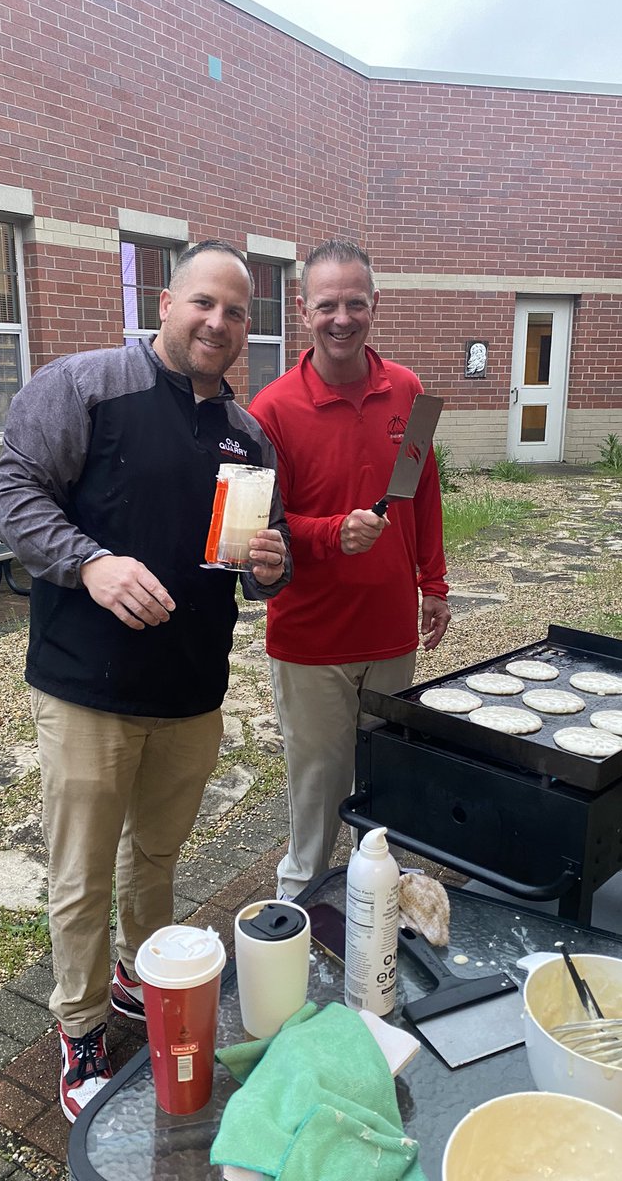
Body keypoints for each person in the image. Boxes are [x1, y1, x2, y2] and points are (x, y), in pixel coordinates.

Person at [0, 240, 290, 1122]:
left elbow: (258, 569)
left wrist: (270, 566)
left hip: (192, 689)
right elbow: (13, 493)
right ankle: (79, 1029)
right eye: (204, 303)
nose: (218, 323)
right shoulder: (83, 387)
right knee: (80, 872)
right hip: (88, 687)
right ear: (166, 301)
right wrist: (91, 565)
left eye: (235, 313)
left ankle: (137, 972)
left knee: (155, 856)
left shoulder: (248, 433)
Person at [248, 238, 450, 901]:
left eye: (355, 304)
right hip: (311, 641)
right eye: (327, 305)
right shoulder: (271, 410)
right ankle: (296, 909)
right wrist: (332, 533)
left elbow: (422, 496)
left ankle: (376, 907)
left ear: (374, 306)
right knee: (318, 788)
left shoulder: (410, 394)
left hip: (390, 632)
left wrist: (434, 585)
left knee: (385, 781)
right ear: (304, 310)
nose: (342, 318)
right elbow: (259, 532)